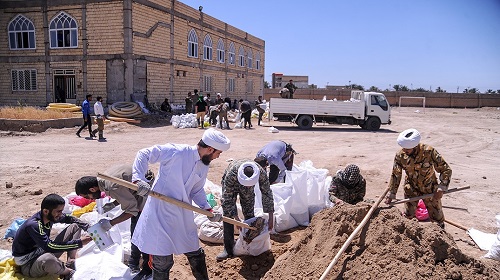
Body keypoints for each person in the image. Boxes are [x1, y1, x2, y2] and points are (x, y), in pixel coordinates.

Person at [131, 128, 230, 279]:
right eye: (218, 153)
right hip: (159, 214)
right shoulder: (176, 152)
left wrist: (208, 209)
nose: (218, 157)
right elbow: (144, 153)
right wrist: (139, 180)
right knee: (163, 261)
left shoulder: (203, 166)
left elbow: (196, 190)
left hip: (181, 215)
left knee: (195, 252)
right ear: (210, 149)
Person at [74, 164, 155, 279]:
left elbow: (132, 211)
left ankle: (149, 268)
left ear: (92, 189)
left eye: (88, 196)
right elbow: (127, 190)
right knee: (135, 234)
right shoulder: (105, 177)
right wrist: (114, 204)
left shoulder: (112, 186)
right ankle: (134, 262)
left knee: (143, 236)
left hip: (150, 198)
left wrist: (111, 223)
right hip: (141, 189)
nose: (91, 199)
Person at [12, 194, 92, 280]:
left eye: (61, 211)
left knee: (75, 227)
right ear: (46, 211)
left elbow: (68, 218)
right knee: (48, 259)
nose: (60, 214)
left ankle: (70, 261)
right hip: (29, 264)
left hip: (42, 251)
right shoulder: (34, 225)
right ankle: (67, 273)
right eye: (58, 211)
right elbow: (49, 246)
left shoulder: (49, 216)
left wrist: (87, 227)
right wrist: (80, 243)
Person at [384, 128, 452, 228]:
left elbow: (445, 169)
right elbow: (396, 175)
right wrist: (391, 193)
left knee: (437, 218)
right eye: (403, 148)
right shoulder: (400, 155)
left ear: (415, 146)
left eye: (407, 149)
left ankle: (441, 239)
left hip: (430, 188)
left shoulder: (429, 151)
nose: (405, 151)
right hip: (411, 188)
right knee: (408, 217)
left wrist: (441, 188)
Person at [216, 158, 274, 261]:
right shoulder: (231, 174)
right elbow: (227, 199)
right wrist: (236, 219)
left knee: (249, 211)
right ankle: (228, 249)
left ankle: (250, 245)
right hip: (232, 184)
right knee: (228, 214)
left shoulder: (260, 172)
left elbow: (267, 193)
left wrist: (270, 217)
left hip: (248, 189)